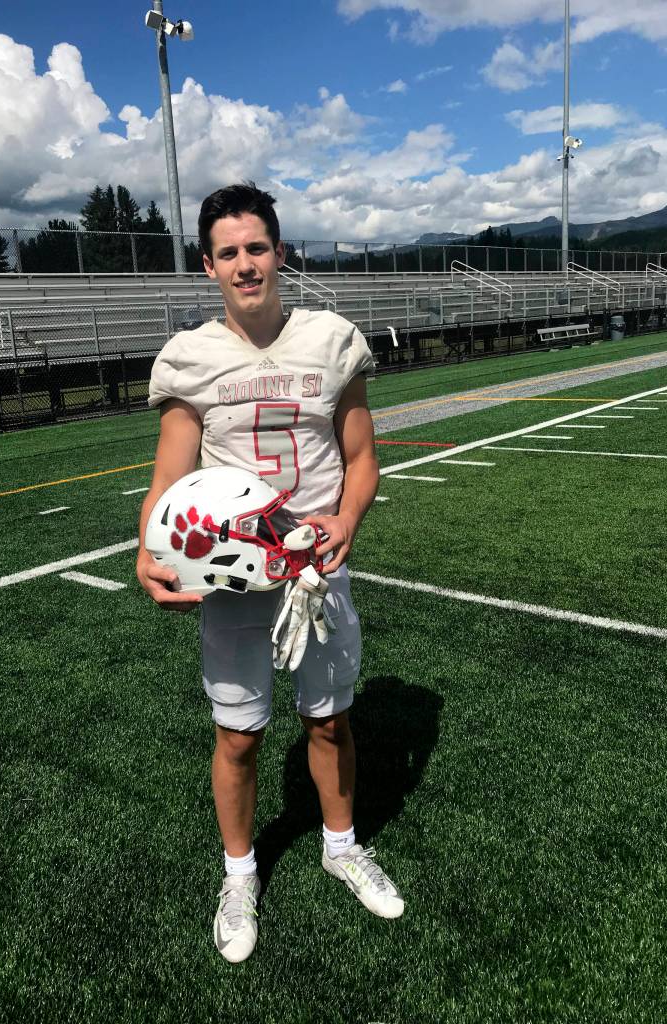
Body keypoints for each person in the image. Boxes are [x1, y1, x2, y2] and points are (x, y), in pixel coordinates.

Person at [137, 182, 404, 964]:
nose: (246, 264)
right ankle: (240, 874)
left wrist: (347, 519)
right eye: (229, 252)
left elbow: (361, 460)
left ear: (279, 253)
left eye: (257, 247)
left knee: (329, 721)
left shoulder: (331, 339)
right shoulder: (191, 358)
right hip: (232, 581)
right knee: (240, 737)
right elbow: (167, 482)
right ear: (209, 266)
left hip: (316, 574)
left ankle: (341, 844)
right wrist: (149, 555)